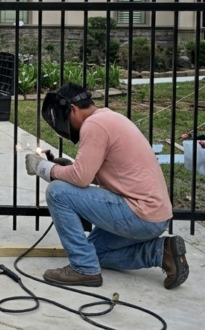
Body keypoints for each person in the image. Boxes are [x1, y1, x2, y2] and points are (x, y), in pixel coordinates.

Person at [24, 83, 188, 289]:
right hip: (153, 216)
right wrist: (68, 168)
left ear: (73, 109)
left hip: (139, 213)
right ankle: (161, 251)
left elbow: (81, 178)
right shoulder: (109, 118)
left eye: (64, 117)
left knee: (57, 193)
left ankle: (83, 269)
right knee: (95, 252)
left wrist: (43, 168)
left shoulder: (94, 125)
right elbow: (99, 174)